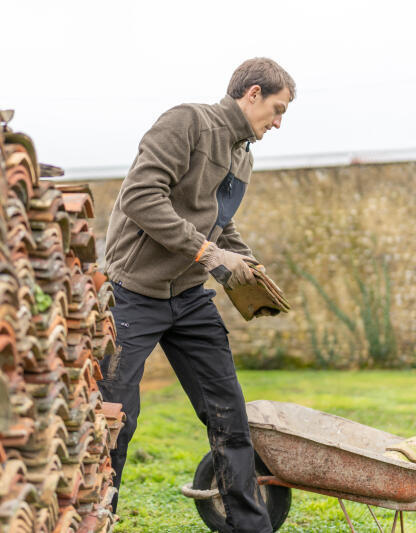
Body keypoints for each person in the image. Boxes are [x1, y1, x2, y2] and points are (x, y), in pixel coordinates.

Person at [100, 57, 295, 532]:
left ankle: (251, 528)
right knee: (115, 418)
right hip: (132, 292)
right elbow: (141, 197)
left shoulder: (243, 154)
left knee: (228, 414)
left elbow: (219, 222)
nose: (278, 121)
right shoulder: (187, 122)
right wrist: (209, 255)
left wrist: (246, 264)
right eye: (277, 108)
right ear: (252, 93)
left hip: (187, 296)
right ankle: (96, 518)